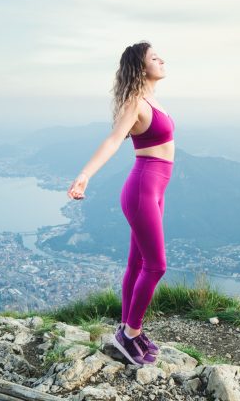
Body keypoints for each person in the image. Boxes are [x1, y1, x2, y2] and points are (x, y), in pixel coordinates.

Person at [67, 41, 175, 366]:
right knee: (156, 266)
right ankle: (130, 334)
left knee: (138, 264)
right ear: (141, 67)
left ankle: (127, 332)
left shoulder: (151, 99)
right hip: (143, 188)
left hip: (154, 189)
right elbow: (114, 140)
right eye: (154, 57)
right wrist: (84, 175)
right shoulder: (135, 102)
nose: (161, 59)